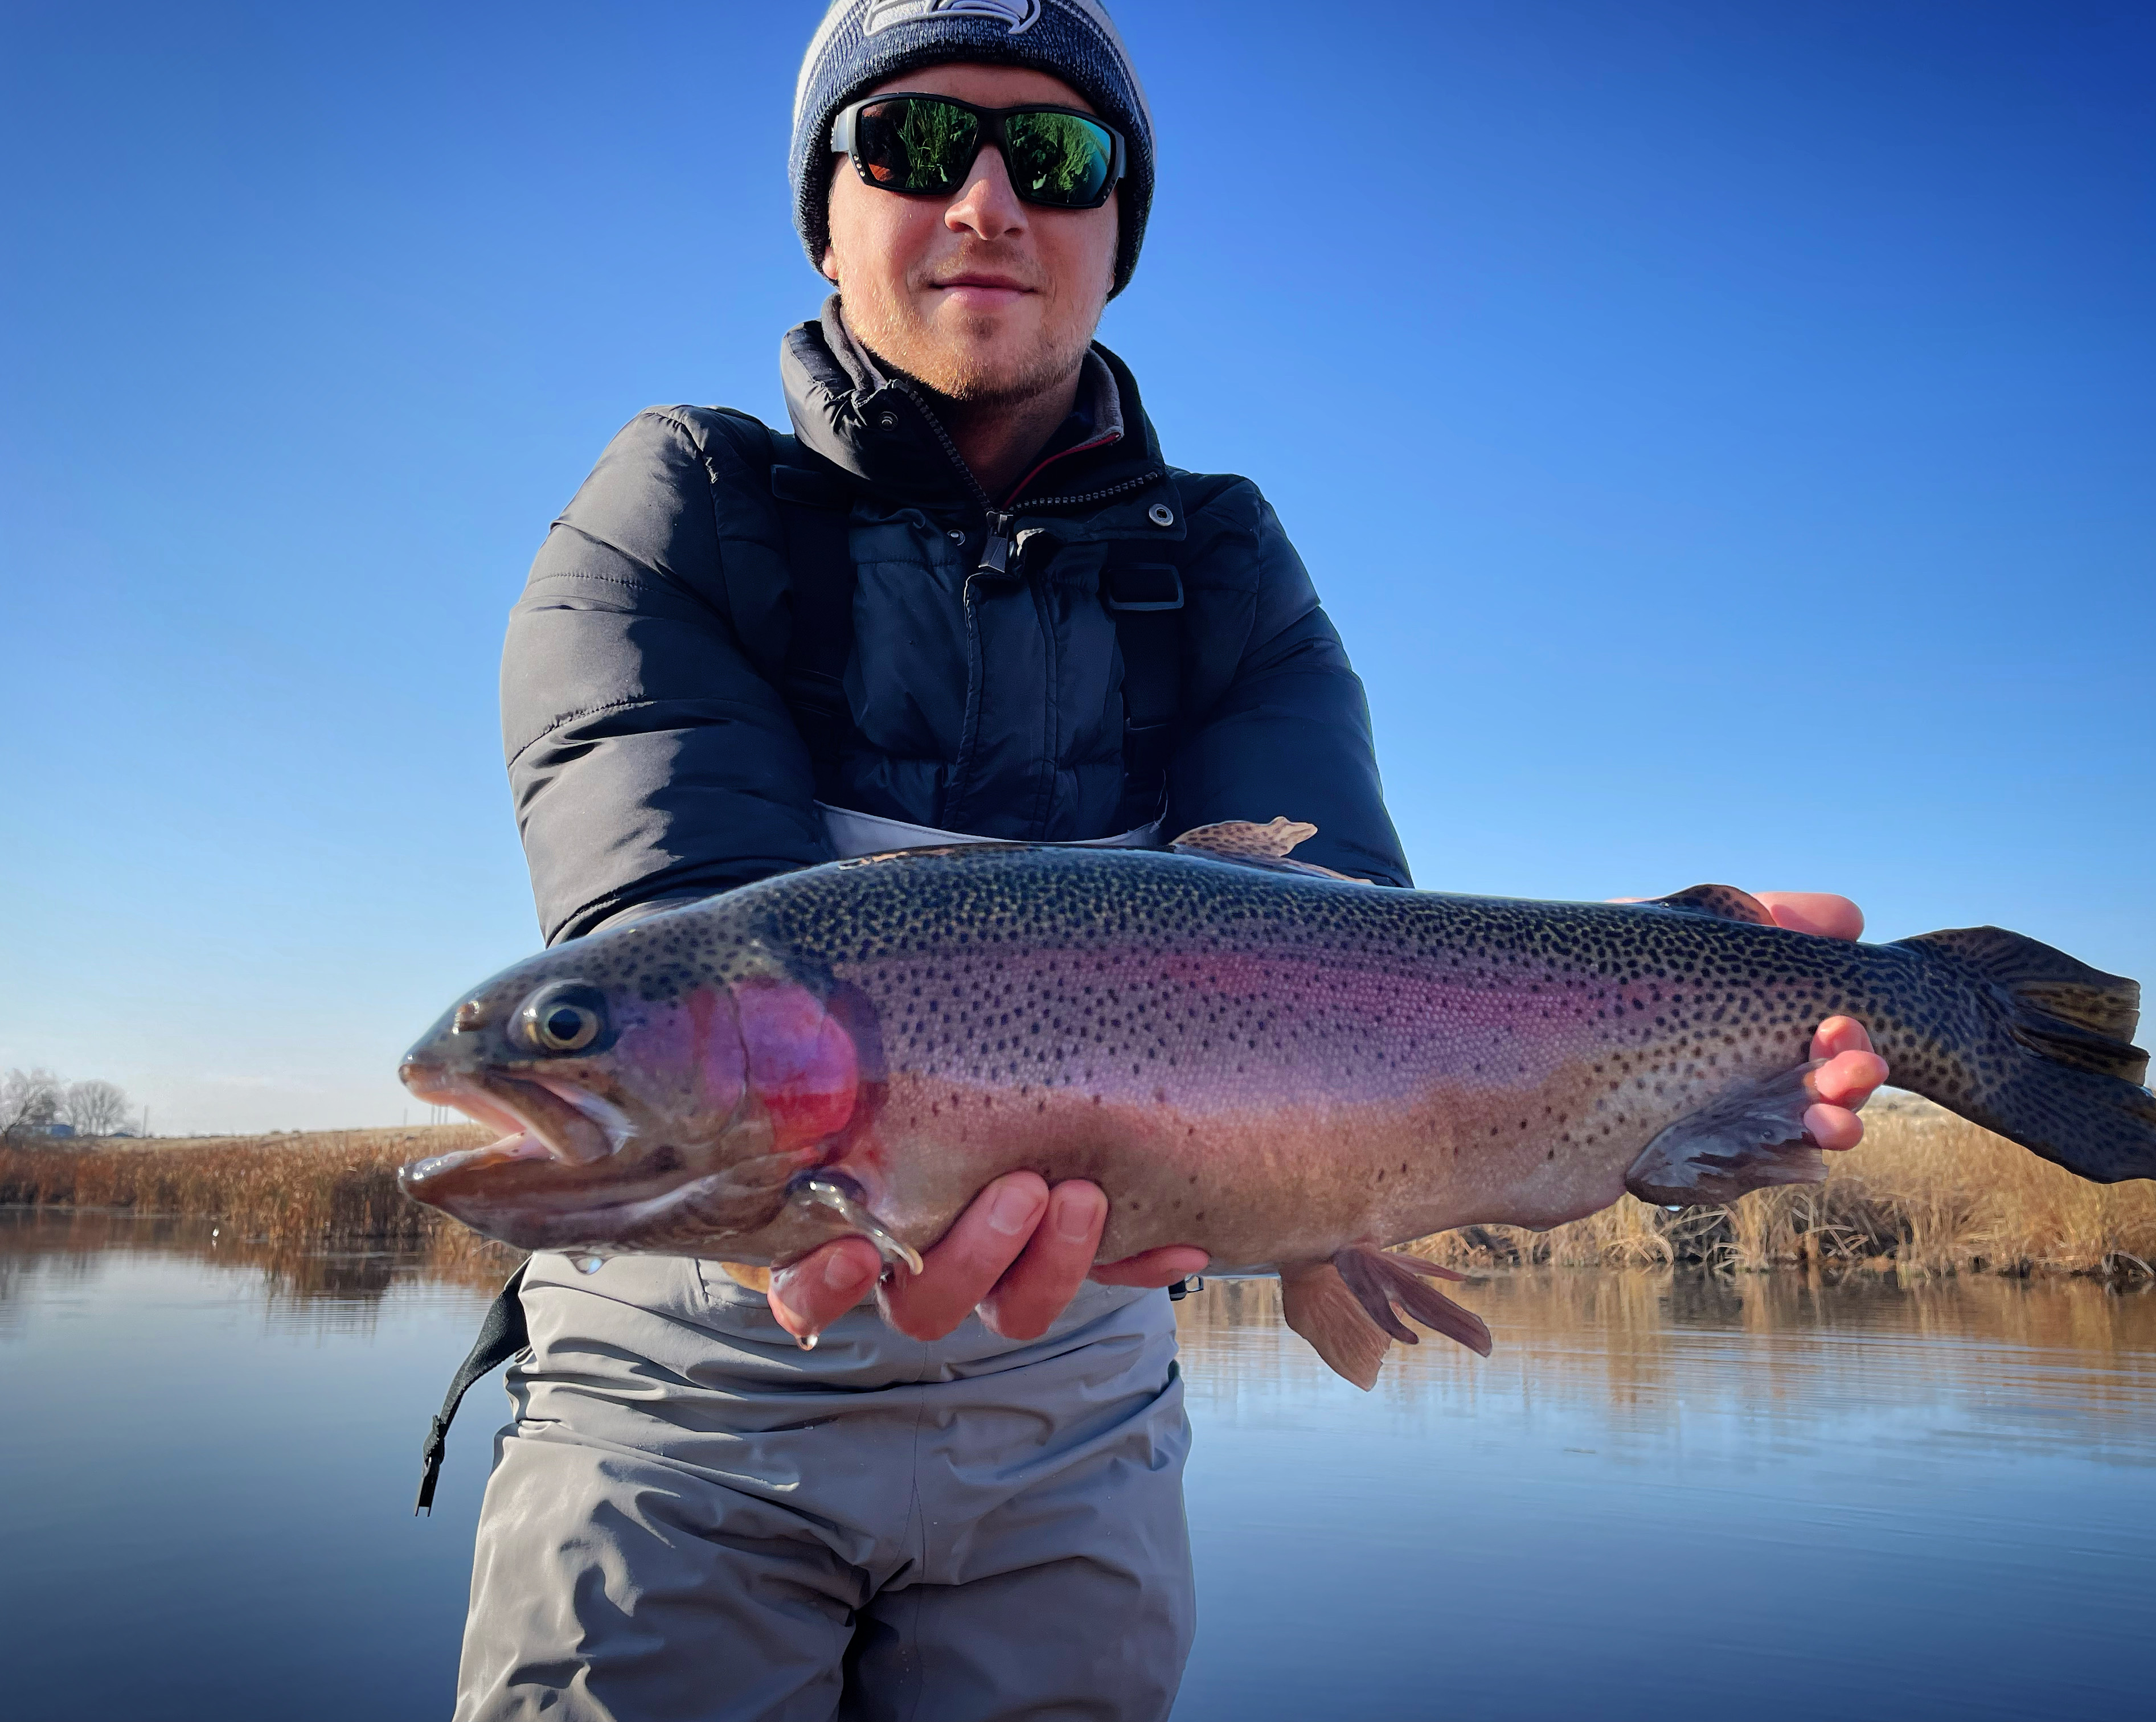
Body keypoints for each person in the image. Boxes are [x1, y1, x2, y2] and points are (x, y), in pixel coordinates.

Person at [441, 3, 1890, 1716]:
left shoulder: (1222, 556)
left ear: (1117, 233)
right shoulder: (676, 500)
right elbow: (677, 933)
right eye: (911, 147)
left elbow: (1353, 958)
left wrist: (1697, 994)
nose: (987, 201)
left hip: (1082, 1400)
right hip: (687, 1397)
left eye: (1053, 157)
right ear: (824, 216)